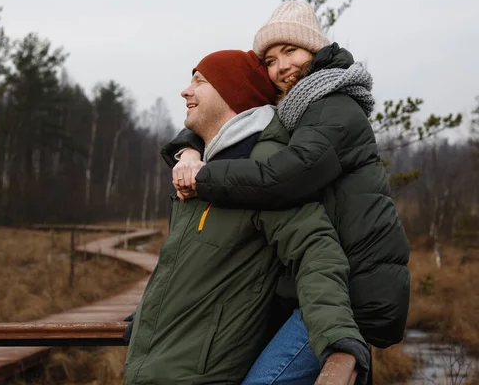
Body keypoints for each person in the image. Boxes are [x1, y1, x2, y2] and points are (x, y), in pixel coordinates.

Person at [163, 0, 411, 383]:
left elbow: (287, 176)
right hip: (322, 289)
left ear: (315, 50)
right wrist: (189, 149)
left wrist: (204, 179)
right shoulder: (296, 109)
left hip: (351, 292)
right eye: (272, 60)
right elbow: (230, 107)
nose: (282, 67)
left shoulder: (334, 106)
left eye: (291, 51)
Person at [123, 49, 369, 385]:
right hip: (150, 371)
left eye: (199, 81)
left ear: (232, 91)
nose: (185, 90)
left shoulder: (261, 167)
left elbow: (316, 250)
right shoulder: (201, 168)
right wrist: (149, 317)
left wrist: (336, 333)